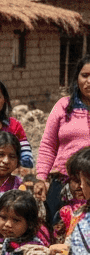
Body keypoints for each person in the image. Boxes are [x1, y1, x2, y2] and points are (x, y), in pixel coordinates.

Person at [39, 56, 90, 230]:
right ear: (77, 78)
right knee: (57, 232)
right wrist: (41, 178)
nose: (89, 81)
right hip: (62, 184)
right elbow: (47, 145)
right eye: (85, 75)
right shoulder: (63, 106)